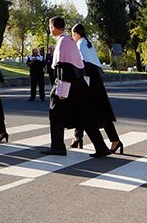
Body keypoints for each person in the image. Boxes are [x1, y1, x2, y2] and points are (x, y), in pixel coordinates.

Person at [42, 17, 111, 158]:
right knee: (86, 116)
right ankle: (101, 147)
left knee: (55, 114)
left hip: (67, 84)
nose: (50, 29)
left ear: (53, 27)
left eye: (50, 27)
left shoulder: (62, 42)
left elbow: (63, 68)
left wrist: (61, 91)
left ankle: (58, 147)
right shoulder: (70, 41)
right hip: (79, 85)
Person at [71, 24, 122, 152]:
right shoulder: (88, 43)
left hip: (88, 79)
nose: (73, 37)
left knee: (88, 109)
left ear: (77, 33)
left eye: (73, 34)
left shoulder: (80, 44)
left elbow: (80, 64)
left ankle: (113, 140)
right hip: (95, 79)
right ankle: (78, 137)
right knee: (94, 109)